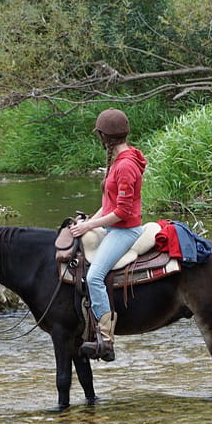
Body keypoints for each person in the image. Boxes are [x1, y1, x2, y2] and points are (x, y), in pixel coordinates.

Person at [64, 108, 148, 362]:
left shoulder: (125, 167)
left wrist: (90, 227)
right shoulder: (119, 158)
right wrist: (90, 220)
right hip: (113, 225)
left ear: (105, 136)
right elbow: (110, 203)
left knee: (94, 276)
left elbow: (122, 212)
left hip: (125, 230)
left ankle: (105, 338)